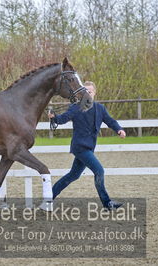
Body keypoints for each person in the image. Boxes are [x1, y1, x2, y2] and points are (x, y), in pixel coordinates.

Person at [47, 81, 126, 210]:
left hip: (89, 148)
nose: (88, 93)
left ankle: (49, 197)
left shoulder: (100, 108)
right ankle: (107, 203)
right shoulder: (76, 107)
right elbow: (63, 119)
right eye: (86, 91)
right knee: (99, 171)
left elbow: (110, 121)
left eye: (90, 91)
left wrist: (119, 129)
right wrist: (54, 117)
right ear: (82, 93)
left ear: (94, 93)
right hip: (80, 147)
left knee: (73, 175)